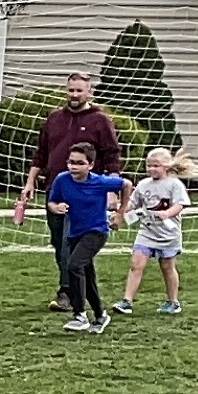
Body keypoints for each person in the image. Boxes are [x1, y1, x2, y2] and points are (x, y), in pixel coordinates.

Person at [18, 72, 126, 311]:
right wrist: (30, 182)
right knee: (59, 242)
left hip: (85, 195)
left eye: (79, 90)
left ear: (89, 93)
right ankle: (82, 289)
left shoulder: (100, 120)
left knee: (71, 243)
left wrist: (111, 192)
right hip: (56, 191)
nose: (74, 95)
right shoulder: (54, 119)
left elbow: (112, 156)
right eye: (70, 90)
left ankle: (67, 293)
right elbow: (41, 153)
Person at [45, 142, 125, 333]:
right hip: (75, 233)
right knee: (87, 276)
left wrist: (121, 212)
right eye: (71, 162)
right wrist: (56, 207)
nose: (73, 166)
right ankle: (100, 315)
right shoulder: (62, 180)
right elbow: (52, 202)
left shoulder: (100, 182)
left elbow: (126, 184)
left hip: (96, 232)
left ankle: (79, 314)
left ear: (90, 165)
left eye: (79, 163)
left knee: (73, 265)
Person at [114, 148, 194, 316]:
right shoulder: (144, 185)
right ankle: (126, 301)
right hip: (147, 232)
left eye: (155, 165)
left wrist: (167, 213)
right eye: (149, 165)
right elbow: (133, 203)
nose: (151, 169)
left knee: (167, 267)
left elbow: (181, 204)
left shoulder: (174, 184)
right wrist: (120, 209)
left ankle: (173, 301)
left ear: (165, 166)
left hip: (168, 235)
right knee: (136, 264)